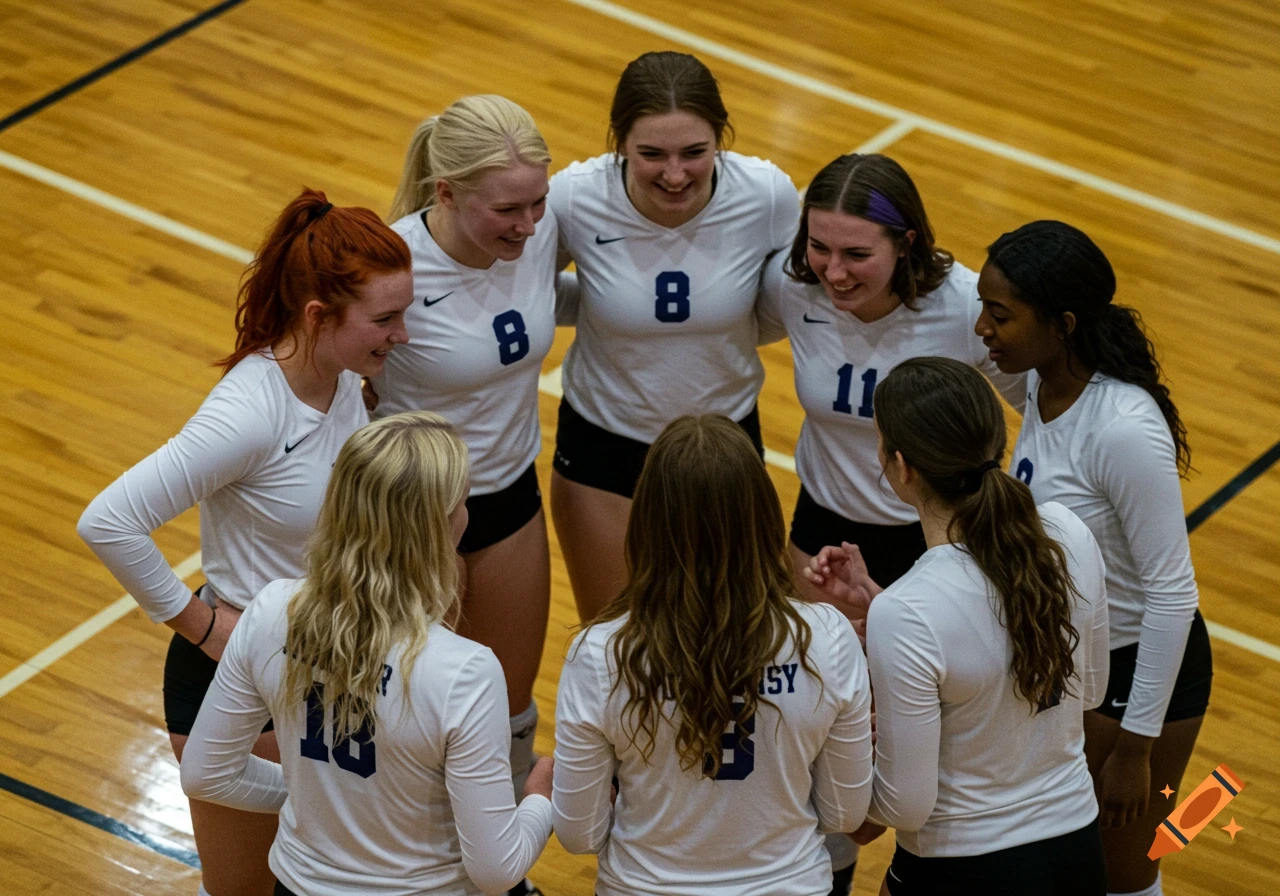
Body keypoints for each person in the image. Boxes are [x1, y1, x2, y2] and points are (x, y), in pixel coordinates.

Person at [77, 189, 414, 896]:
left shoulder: (343, 378)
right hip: (243, 687)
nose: (403, 335)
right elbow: (109, 521)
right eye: (385, 319)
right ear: (320, 317)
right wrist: (204, 628)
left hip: (329, 668)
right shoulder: (248, 413)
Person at [180, 411, 555, 896]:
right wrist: (540, 800)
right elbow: (496, 870)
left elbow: (205, 772)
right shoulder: (465, 671)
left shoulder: (270, 611)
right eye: (463, 502)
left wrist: (311, 796)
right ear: (440, 527)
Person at [805, 357, 1110, 895]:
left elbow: (905, 805)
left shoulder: (911, 610)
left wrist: (834, 760)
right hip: (1076, 851)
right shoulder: (1068, 532)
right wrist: (883, 615)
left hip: (963, 868)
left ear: (902, 467)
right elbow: (1089, 691)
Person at [976, 221, 1210, 896]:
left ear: (1064, 322)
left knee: (1124, 875)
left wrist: (1136, 749)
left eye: (999, 315)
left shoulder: (1122, 429)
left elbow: (1172, 595)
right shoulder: (1038, 383)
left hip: (1143, 674)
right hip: (1078, 660)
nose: (982, 328)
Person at [553, 415, 873, 896]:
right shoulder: (828, 637)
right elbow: (845, 815)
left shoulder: (599, 653)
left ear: (646, 522)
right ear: (764, 517)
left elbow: (581, 836)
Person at [548, 51, 801, 623]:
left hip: (725, 447)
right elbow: (525, 293)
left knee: (731, 639)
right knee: (614, 644)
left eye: (695, 152)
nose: (675, 174)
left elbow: (793, 303)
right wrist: (596, 312)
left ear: (722, 139)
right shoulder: (574, 198)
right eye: (651, 154)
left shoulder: (766, 196)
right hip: (604, 449)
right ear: (619, 144)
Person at [369, 97, 562, 827]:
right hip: (415, 519)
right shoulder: (390, 268)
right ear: (445, 192)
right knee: (419, 712)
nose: (528, 224)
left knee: (509, 708)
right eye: (507, 209)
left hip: (510, 495)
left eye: (538, 202)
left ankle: (499, 863)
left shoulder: (538, 239)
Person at [757, 153, 1024, 611]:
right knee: (824, 674)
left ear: (905, 243)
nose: (834, 273)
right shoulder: (794, 288)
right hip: (822, 530)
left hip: (936, 538)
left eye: (857, 255)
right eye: (819, 247)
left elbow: (1042, 408)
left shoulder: (963, 306)